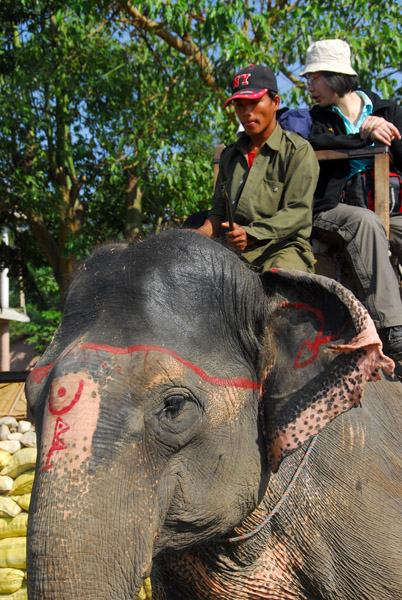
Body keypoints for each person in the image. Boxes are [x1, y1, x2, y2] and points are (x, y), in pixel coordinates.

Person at [300, 38, 402, 361]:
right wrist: (362, 136)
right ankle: (393, 333)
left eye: (314, 77)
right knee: (368, 223)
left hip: (386, 209)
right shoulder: (314, 120)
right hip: (330, 210)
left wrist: (382, 128)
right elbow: (314, 144)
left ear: (335, 76)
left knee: (382, 222)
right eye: (308, 79)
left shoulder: (388, 110)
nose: (309, 85)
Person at [196, 64, 319, 273]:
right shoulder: (230, 156)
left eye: (254, 102)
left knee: (280, 283)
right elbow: (218, 208)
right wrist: (199, 233)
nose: (246, 112)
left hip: (281, 248)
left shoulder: (297, 151)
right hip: (232, 250)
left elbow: (297, 212)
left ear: (275, 102)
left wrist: (251, 235)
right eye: (239, 105)